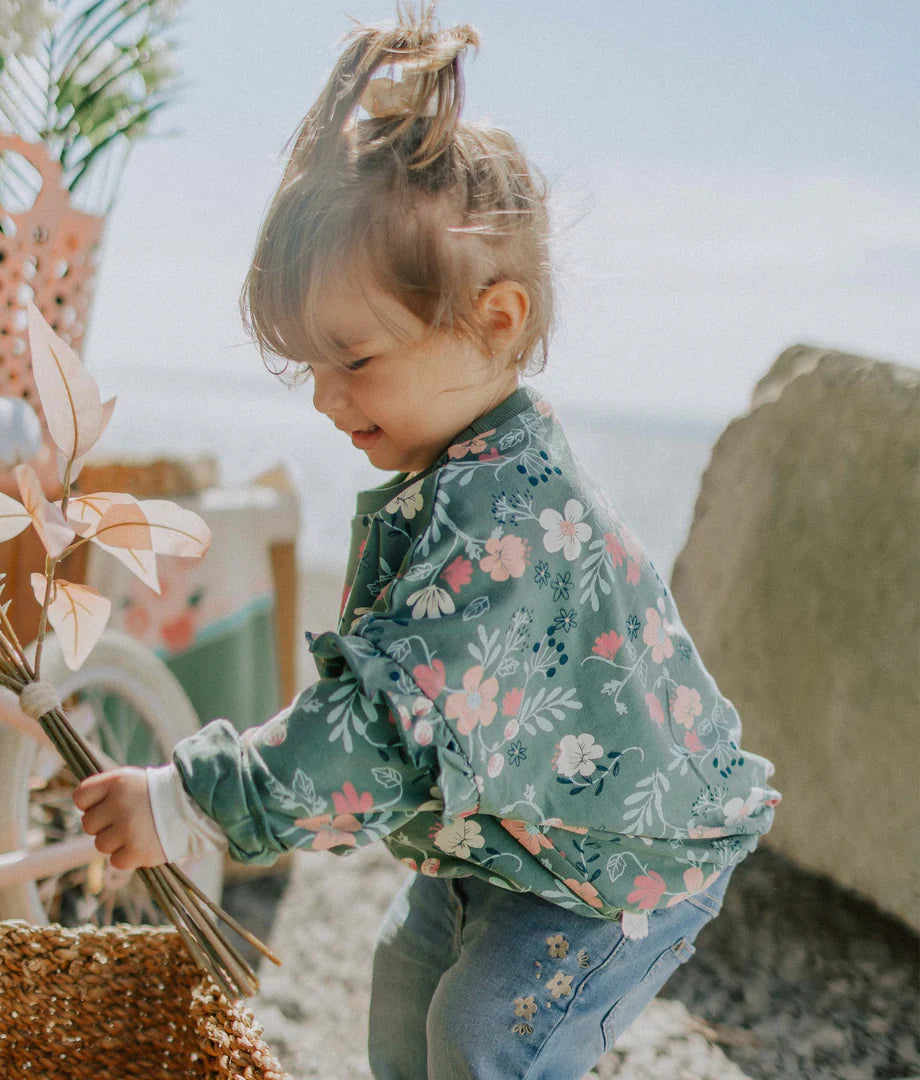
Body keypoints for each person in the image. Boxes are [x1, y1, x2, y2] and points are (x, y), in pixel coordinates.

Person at [73, 9, 779, 1077]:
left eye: (353, 361)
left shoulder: (507, 520)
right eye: (309, 366)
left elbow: (382, 735)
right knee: (407, 985)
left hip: (611, 866)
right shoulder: (457, 472)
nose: (325, 398)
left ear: (497, 320)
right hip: (514, 830)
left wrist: (189, 801)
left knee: (483, 1033)